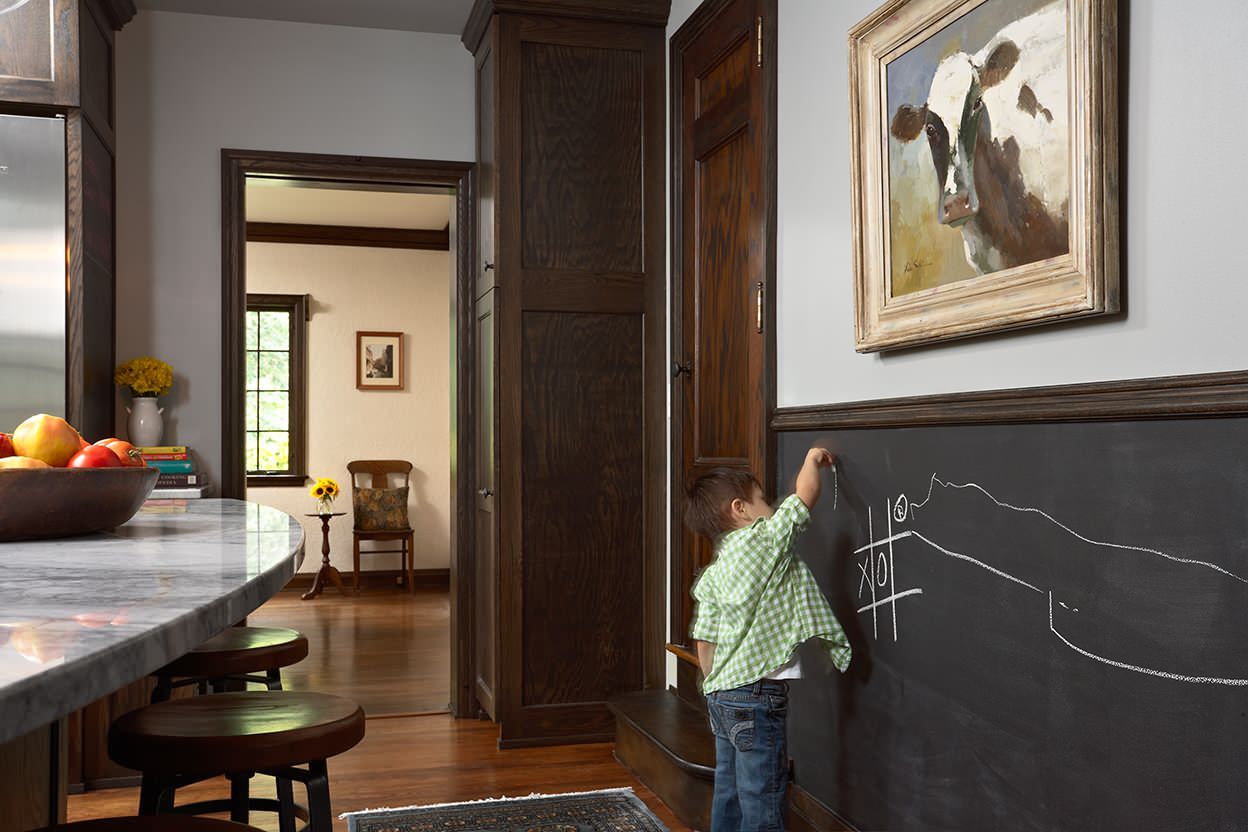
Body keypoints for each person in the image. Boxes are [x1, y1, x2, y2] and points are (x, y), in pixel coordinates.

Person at [684, 448, 852, 831]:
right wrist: (811, 460)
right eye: (763, 500)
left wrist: (714, 683)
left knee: (729, 788)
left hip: (721, 694)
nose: (772, 507)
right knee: (763, 793)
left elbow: (704, 641)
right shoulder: (764, 540)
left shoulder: (713, 573)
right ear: (741, 509)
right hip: (757, 696)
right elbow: (803, 498)